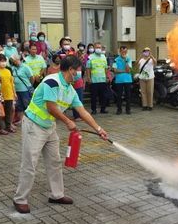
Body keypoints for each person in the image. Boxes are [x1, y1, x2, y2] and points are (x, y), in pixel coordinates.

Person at [13, 55, 109, 213]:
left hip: (49, 127)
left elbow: (82, 111)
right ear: (71, 70)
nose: (79, 74)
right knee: (30, 164)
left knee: (54, 162)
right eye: (78, 71)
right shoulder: (52, 82)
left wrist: (98, 129)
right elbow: (51, 106)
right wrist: (67, 121)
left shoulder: (70, 90)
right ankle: (20, 199)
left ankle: (56, 195)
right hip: (34, 126)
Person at [86, 42, 110, 114]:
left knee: (103, 96)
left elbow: (105, 68)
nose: (98, 49)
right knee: (93, 96)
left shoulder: (103, 57)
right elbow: (88, 68)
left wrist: (107, 77)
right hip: (94, 80)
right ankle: (94, 110)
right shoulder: (90, 57)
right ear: (94, 48)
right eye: (97, 47)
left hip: (102, 79)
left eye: (99, 47)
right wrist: (89, 78)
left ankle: (103, 109)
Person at [11, 53, 34, 125]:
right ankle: (21, 120)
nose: (14, 62)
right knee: (19, 106)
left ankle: (30, 120)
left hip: (25, 90)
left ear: (18, 59)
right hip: (16, 90)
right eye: (13, 61)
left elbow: (31, 78)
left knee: (27, 105)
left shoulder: (25, 67)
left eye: (15, 60)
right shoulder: (13, 68)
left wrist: (29, 85)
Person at [0, 54, 16, 134]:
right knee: (0, 112)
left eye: (4, 61)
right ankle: (0, 128)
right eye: (1, 61)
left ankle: (8, 126)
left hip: (9, 94)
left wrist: (14, 93)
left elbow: (12, 83)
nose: (3, 63)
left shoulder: (8, 71)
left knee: (9, 111)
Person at [112, 46, 133, 115]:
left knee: (128, 95)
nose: (124, 53)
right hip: (119, 80)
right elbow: (115, 70)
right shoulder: (116, 59)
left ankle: (128, 109)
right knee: (119, 96)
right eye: (122, 51)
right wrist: (124, 71)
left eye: (125, 51)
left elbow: (128, 70)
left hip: (127, 80)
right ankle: (119, 109)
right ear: (120, 51)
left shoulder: (129, 59)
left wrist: (126, 60)